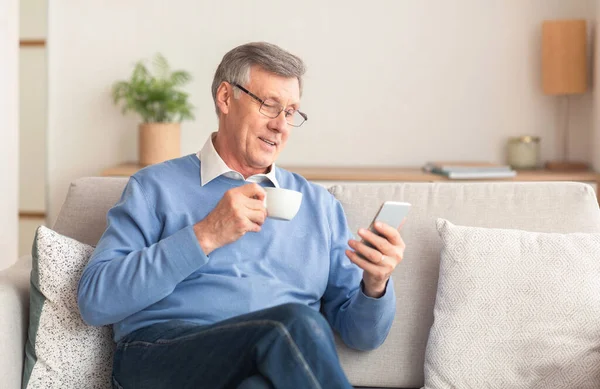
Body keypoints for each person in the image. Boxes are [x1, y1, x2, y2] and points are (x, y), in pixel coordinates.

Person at [78, 42, 406, 389]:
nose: (281, 125)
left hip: (268, 362)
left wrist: (375, 285)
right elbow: (96, 302)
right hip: (162, 354)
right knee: (290, 325)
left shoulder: (318, 205)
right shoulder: (154, 186)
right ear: (225, 98)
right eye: (269, 105)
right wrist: (204, 235)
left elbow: (363, 337)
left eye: (291, 112)